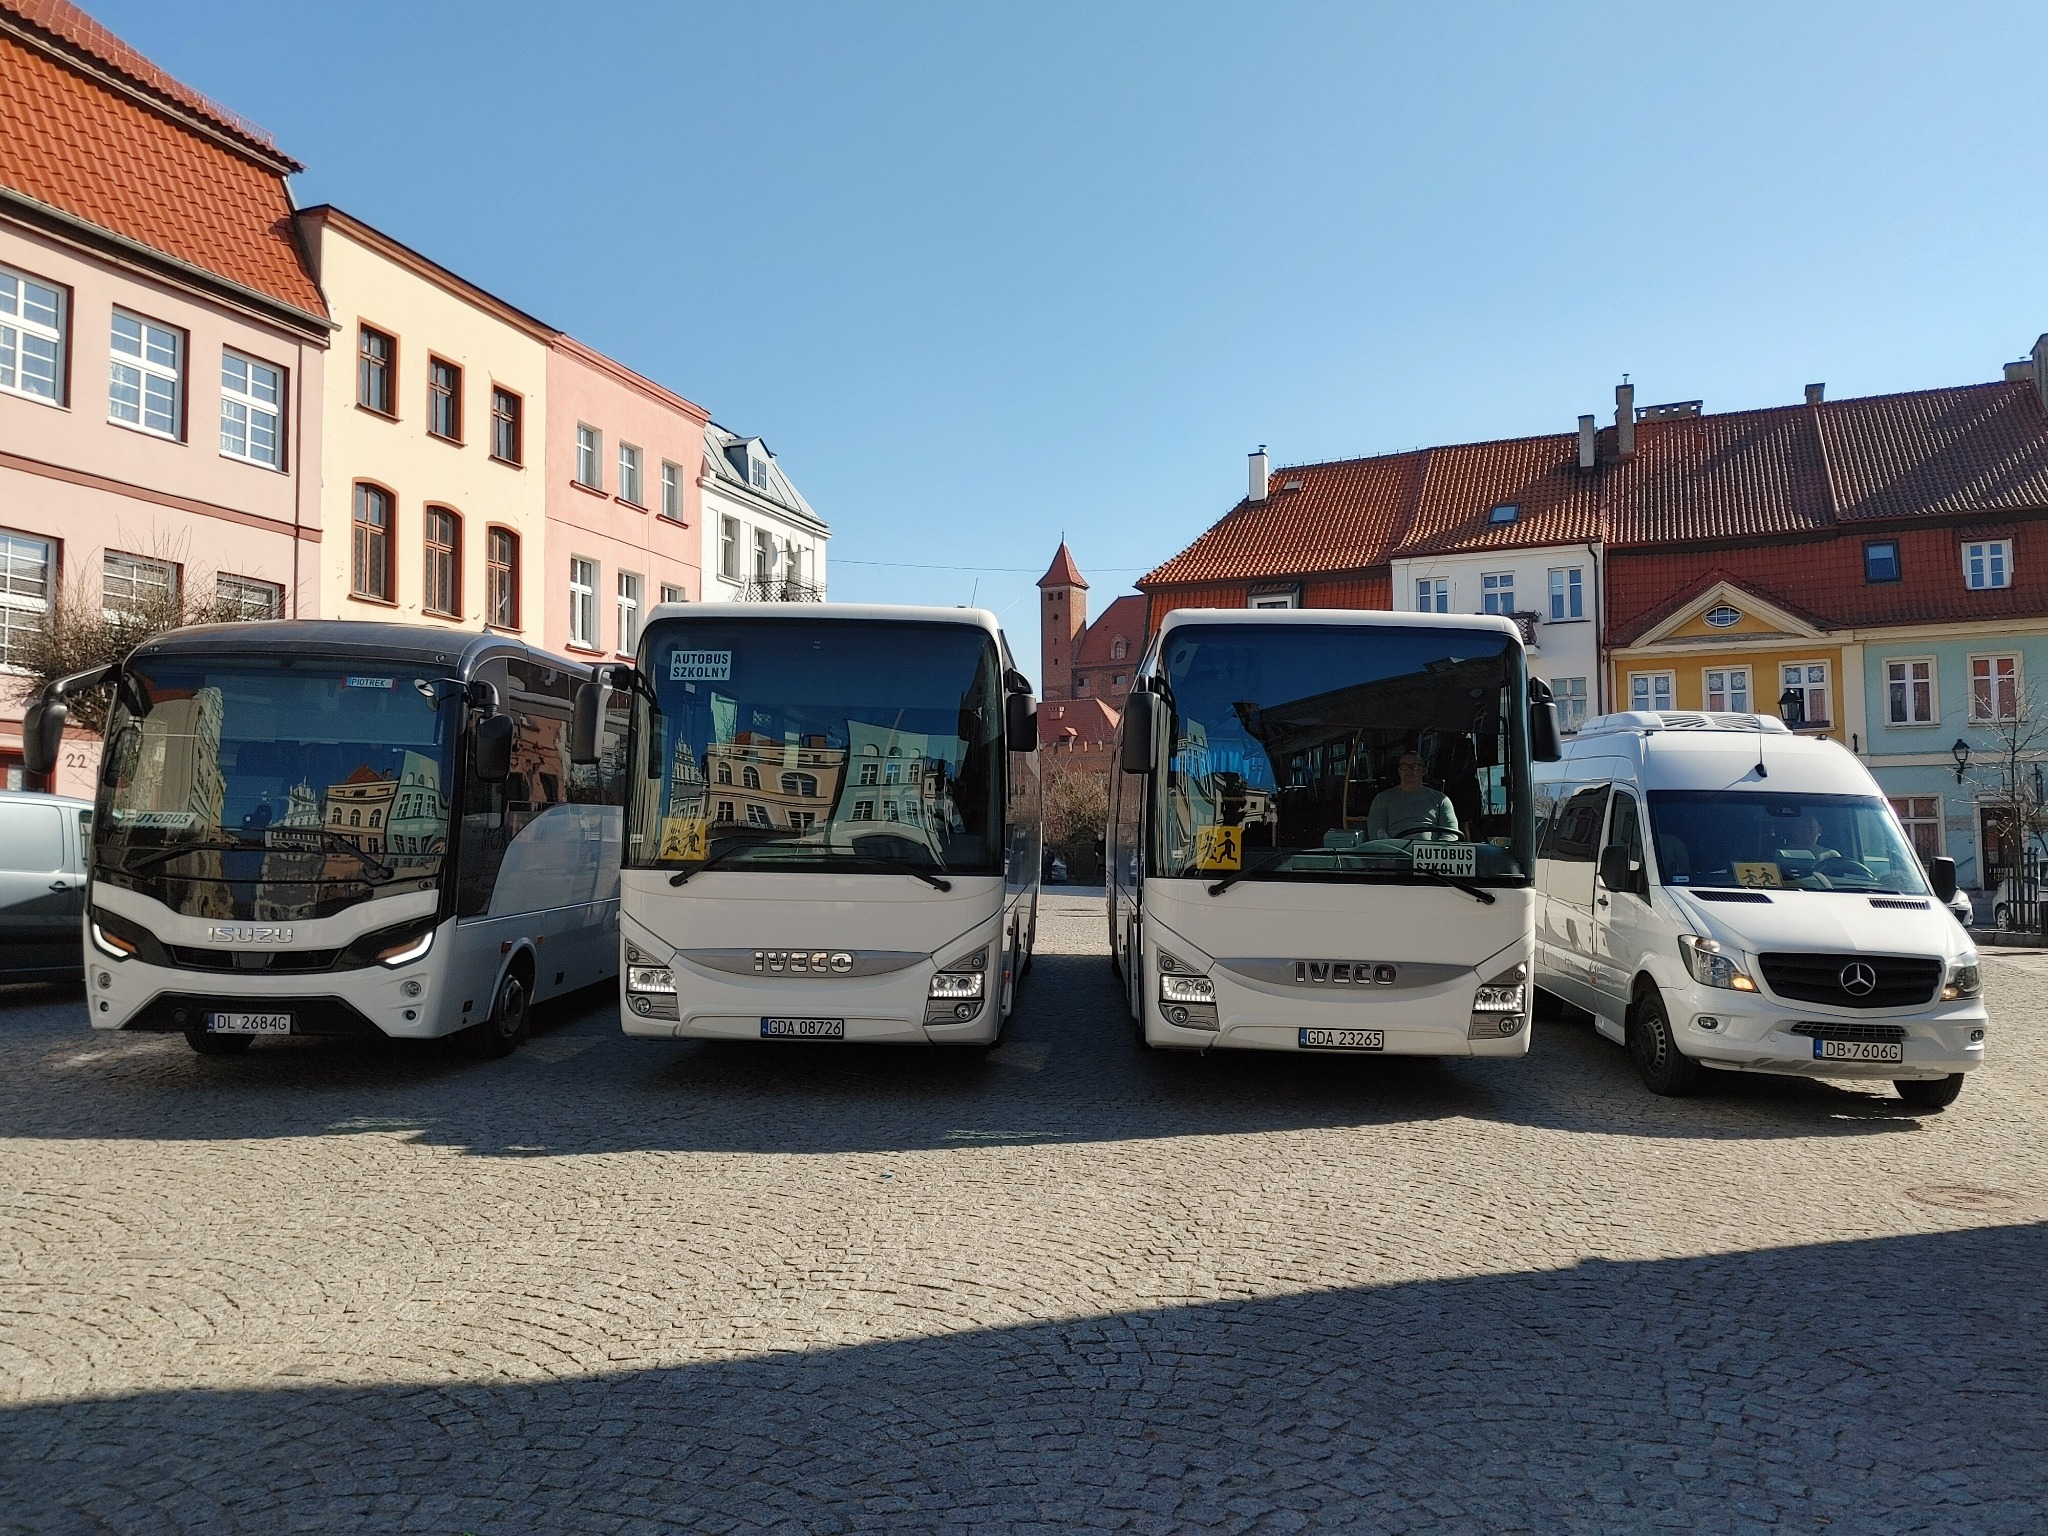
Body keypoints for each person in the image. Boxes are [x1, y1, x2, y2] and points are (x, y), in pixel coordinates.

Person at [1366, 751, 1460, 841]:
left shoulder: (1441, 800)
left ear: (1424, 771)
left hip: (1430, 854)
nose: (1408, 771)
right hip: (1394, 854)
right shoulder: (1382, 799)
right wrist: (1392, 852)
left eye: (1414, 767)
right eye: (1404, 767)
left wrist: (1436, 852)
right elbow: (1377, 833)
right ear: (1399, 771)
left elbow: (1451, 834)